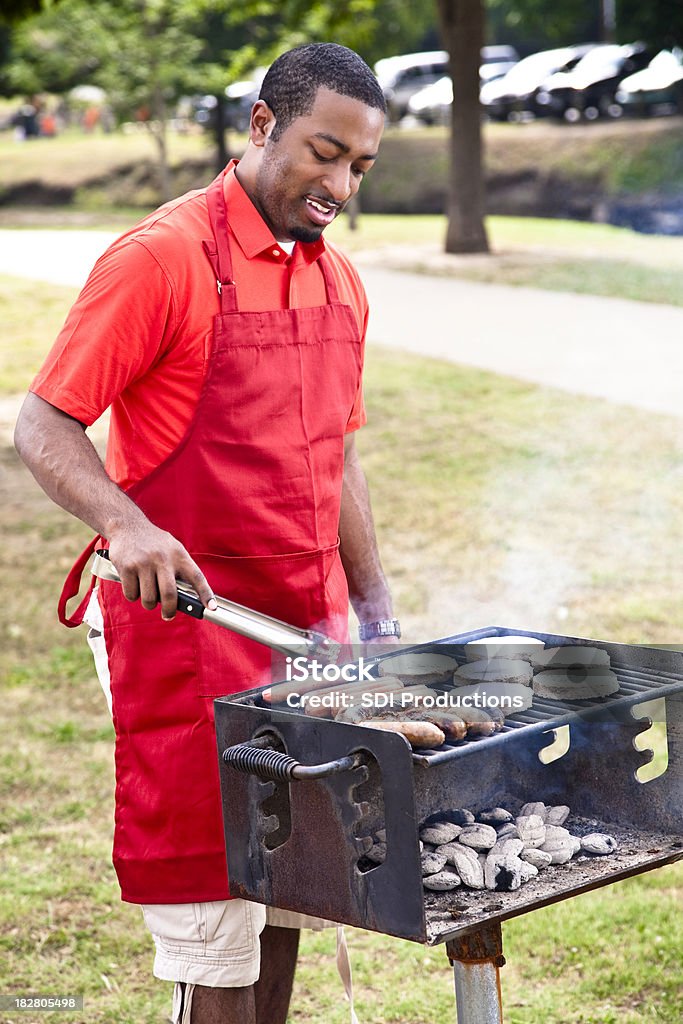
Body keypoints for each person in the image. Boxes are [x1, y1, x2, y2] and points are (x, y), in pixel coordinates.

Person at [14, 42, 400, 1024]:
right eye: (323, 153)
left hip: (301, 634)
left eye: (359, 166)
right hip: (185, 629)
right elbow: (44, 422)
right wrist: (124, 524)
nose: (340, 185)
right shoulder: (162, 258)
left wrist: (374, 608)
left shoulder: (339, 283)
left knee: (286, 899)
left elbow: (336, 456)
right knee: (216, 930)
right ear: (262, 126)